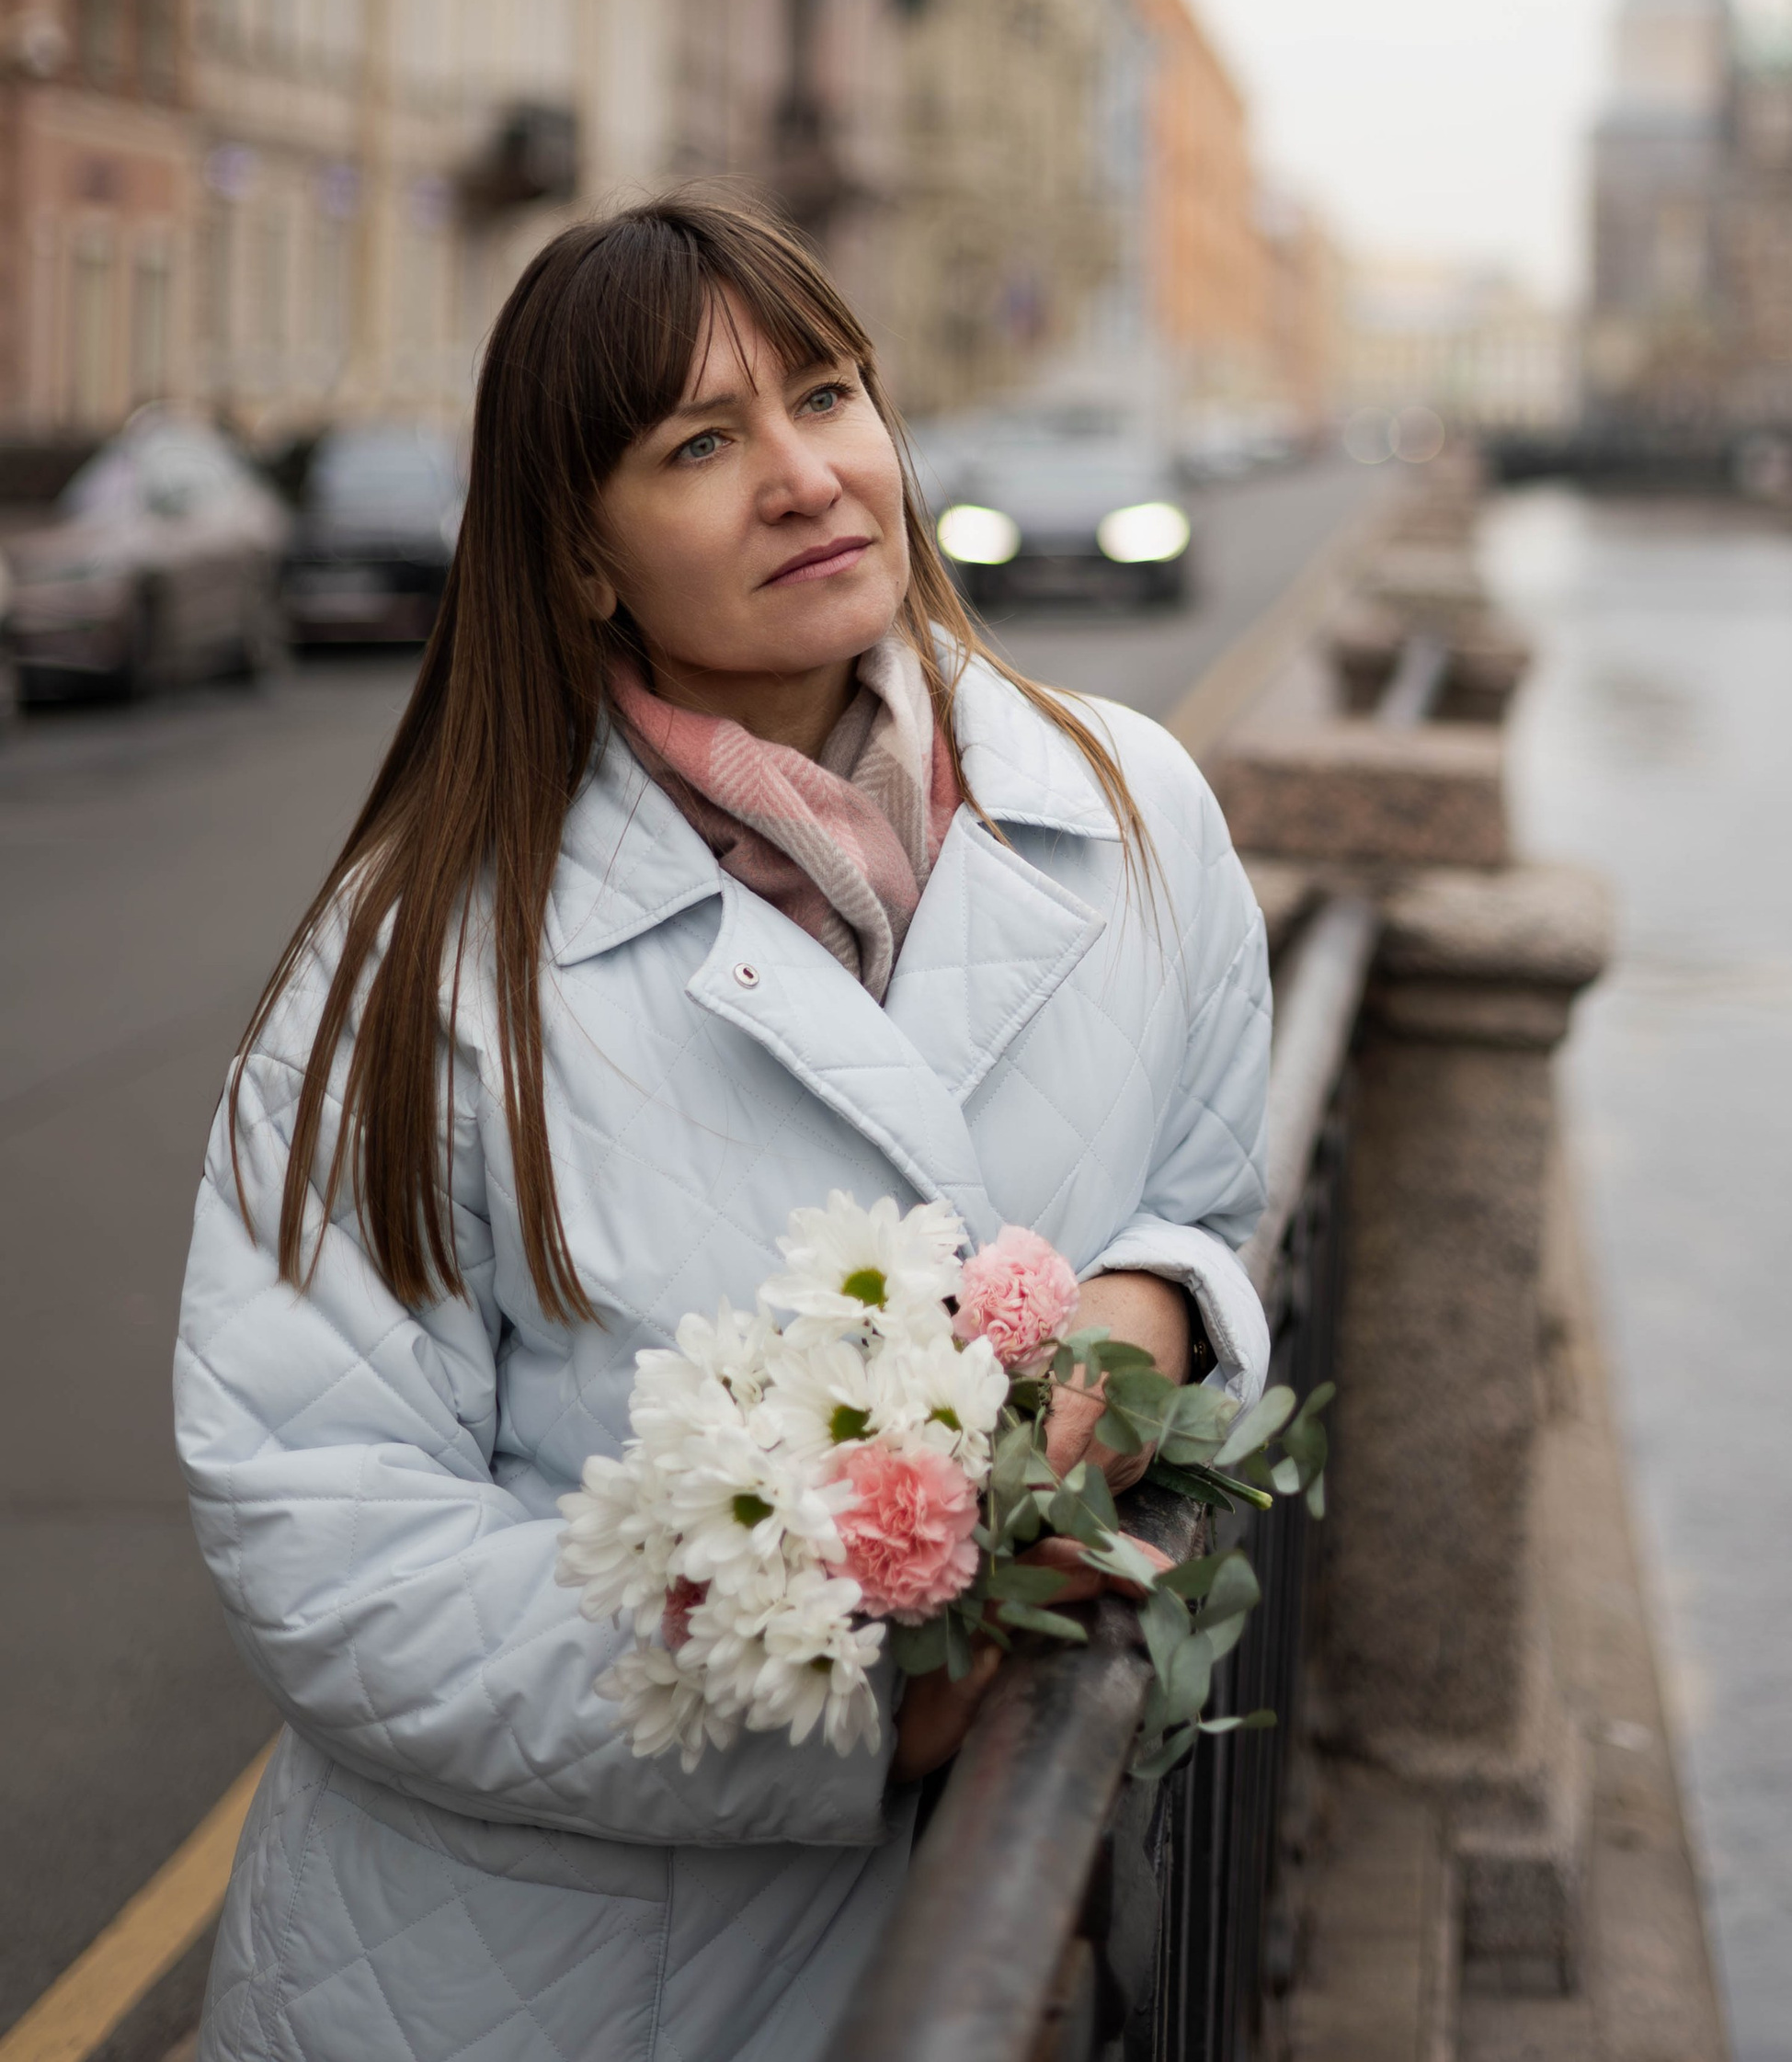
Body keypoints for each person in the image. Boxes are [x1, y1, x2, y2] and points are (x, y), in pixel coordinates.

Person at [175, 191, 1271, 2062]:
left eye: (825, 394)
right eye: (698, 442)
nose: (803, 474)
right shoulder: (419, 953)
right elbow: (322, 1527)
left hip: (995, 1953)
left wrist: (1148, 1308)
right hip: (519, 1985)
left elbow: (1206, 1197)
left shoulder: (1129, 805)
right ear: (580, 552)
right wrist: (838, 1701)